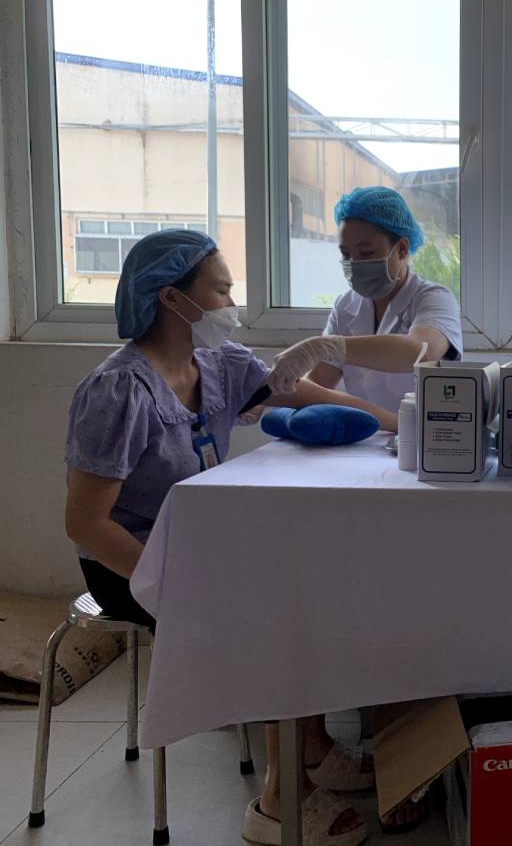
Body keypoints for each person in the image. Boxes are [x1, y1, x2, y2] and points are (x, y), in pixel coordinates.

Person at [64, 231, 396, 846]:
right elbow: (86, 523)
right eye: (221, 291)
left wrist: (405, 427)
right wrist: (177, 578)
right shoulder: (119, 391)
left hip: (198, 543)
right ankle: (277, 802)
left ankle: (311, 747)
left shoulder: (218, 363)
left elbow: (314, 394)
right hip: (127, 563)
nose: (232, 304)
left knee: (308, 578)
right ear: (172, 299)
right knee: (272, 610)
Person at [266, 186, 463, 411]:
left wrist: (324, 346)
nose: (354, 263)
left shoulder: (434, 299)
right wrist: (269, 391)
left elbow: (420, 352)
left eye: (366, 252)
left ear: (402, 249)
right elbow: (318, 384)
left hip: (426, 430)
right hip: (368, 430)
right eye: (346, 254)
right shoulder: (345, 306)